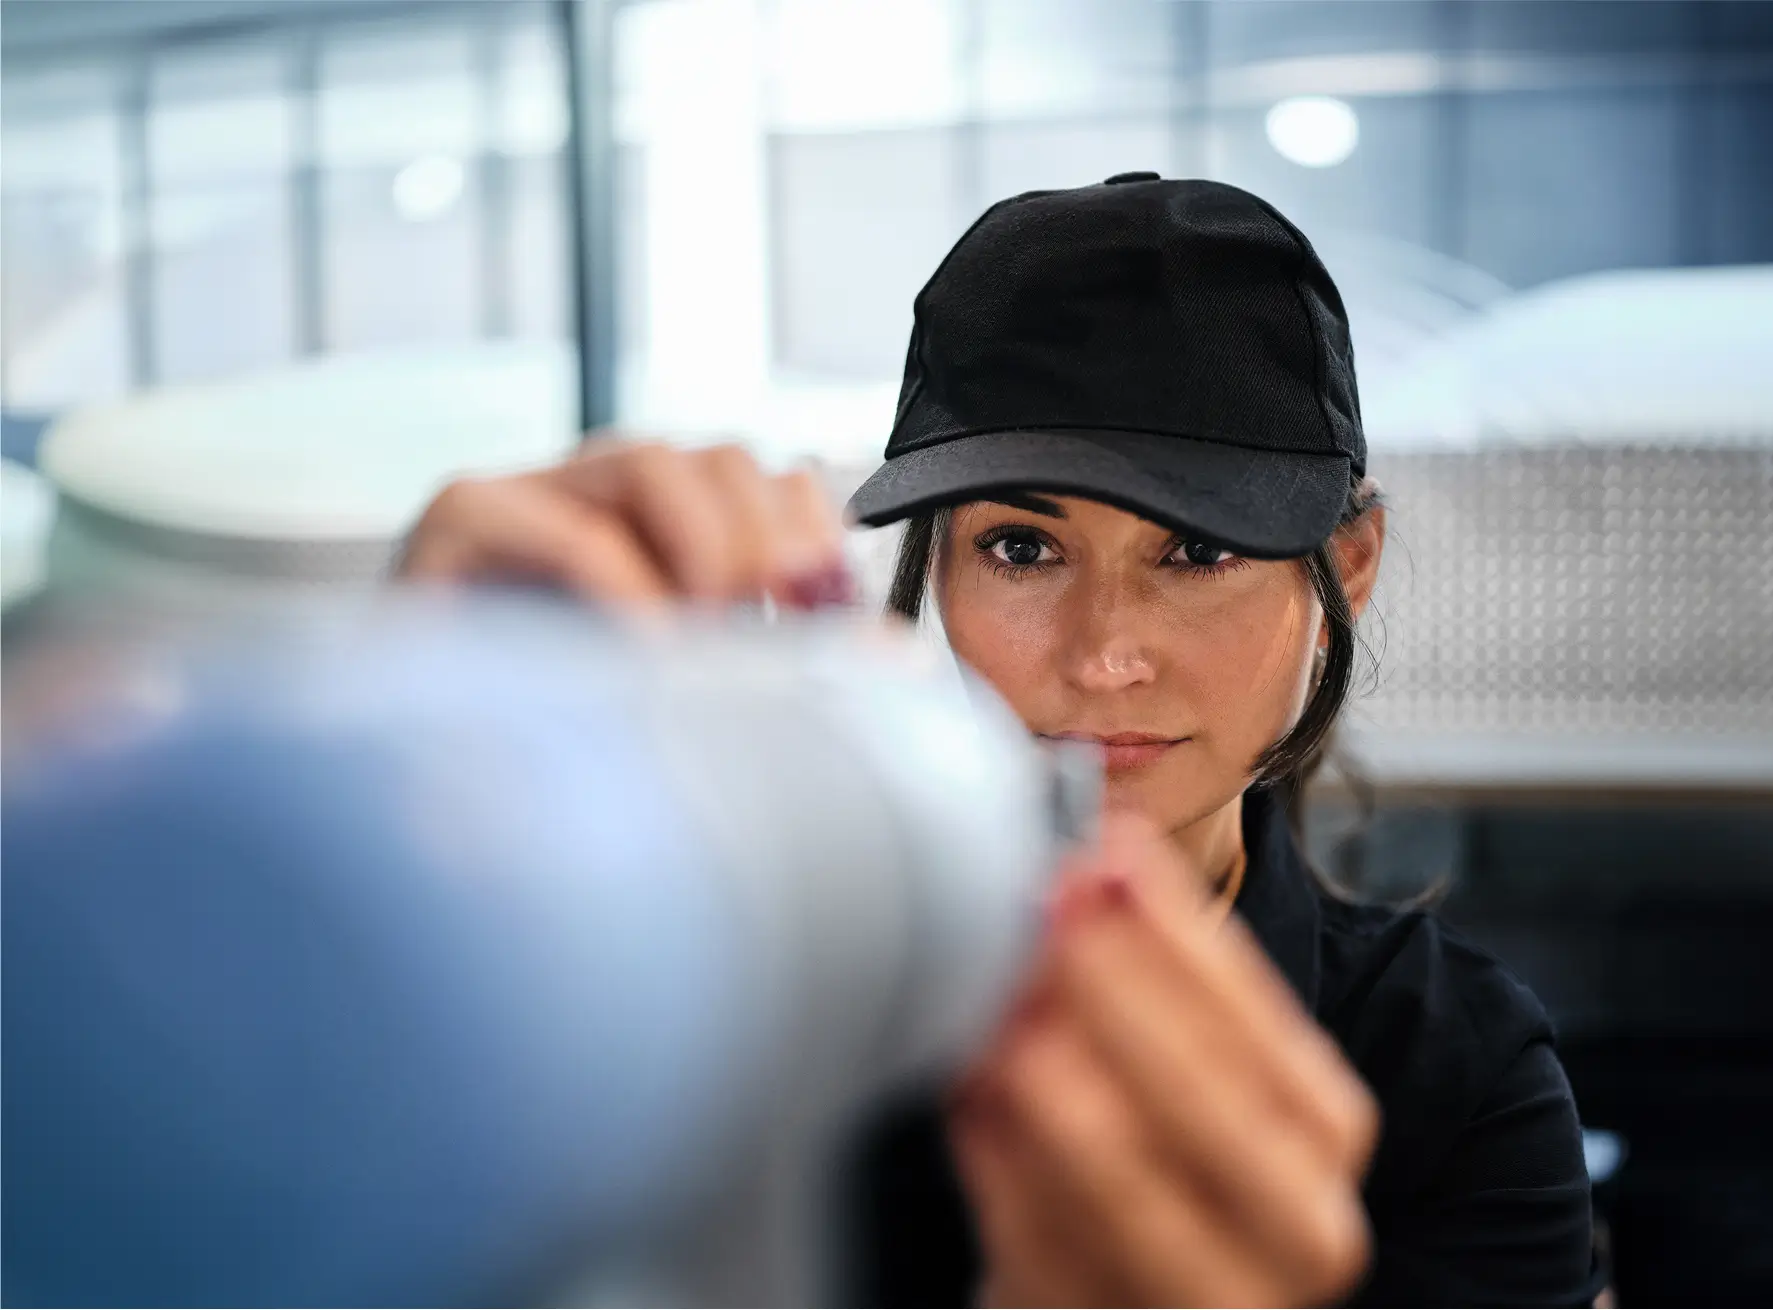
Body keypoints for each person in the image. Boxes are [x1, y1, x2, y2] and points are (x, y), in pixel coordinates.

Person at [396, 174, 1602, 1307]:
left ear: (1347, 564)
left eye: (1198, 550)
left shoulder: (1456, 1070)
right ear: (935, 571)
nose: (1103, 653)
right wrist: (419, 771)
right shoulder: (741, 1020)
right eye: (1023, 548)